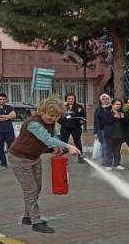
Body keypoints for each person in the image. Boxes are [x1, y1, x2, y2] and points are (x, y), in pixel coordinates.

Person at [9, 95, 81, 234]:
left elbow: (50, 137)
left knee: (36, 188)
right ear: (42, 111)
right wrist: (67, 145)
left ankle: (27, 217)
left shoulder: (50, 122)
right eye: (51, 115)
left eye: (56, 116)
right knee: (31, 190)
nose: (53, 119)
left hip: (34, 157)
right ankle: (36, 222)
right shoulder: (33, 123)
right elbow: (46, 138)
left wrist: (56, 146)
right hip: (20, 158)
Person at [57, 93, 86, 163]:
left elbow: (84, 117)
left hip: (76, 127)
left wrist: (81, 121)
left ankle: (80, 155)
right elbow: (56, 113)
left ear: (75, 99)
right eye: (69, 99)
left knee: (77, 141)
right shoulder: (62, 107)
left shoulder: (79, 107)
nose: (71, 100)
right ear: (66, 99)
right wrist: (61, 106)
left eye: (72, 99)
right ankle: (62, 153)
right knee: (63, 141)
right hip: (65, 126)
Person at [103, 99, 127, 170]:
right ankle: (108, 164)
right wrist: (113, 117)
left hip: (119, 134)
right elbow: (106, 122)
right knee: (109, 150)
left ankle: (117, 164)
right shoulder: (107, 113)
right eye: (116, 104)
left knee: (117, 150)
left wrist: (123, 118)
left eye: (119, 104)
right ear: (112, 105)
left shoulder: (122, 113)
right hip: (110, 134)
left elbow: (125, 124)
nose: (118, 106)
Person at [93, 93, 111, 166]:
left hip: (111, 130)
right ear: (101, 100)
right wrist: (95, 132)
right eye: (103, 99)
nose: (105, 100)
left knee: (110, 146)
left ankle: (113, 161)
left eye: (107, 99)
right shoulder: (98, 109)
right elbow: (95, 121)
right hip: (102, 130)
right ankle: (105, 160)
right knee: (104, 145)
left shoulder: (112, 107)